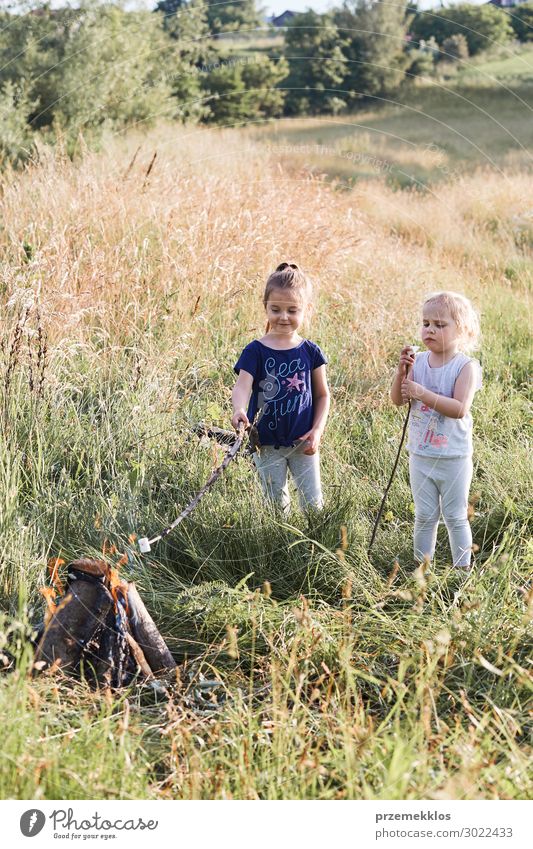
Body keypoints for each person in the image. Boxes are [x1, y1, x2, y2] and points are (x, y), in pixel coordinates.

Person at [390, 291, 482, 569]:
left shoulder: (465, 367)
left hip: (453, 456)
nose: (430, 329)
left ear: (462, 331)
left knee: (455, 515)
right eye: (426, 323)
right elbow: (398, 400)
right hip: (420, 454)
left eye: (440, 325)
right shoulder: (418, 362)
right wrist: (401, 373)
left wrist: (423, 393)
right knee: (424, 515)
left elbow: (459, 409)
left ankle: (463, 569)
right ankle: (421, 568)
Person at [231, 262, 330, 513]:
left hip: (303, 443)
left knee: (313, 505)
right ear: (265, 307)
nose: (283, 317)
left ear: (306, 310)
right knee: (276, 507)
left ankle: (313, 546)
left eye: (292, 310)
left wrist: (317, 431)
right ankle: (279, 547)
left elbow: (322, 395)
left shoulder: (310, 351)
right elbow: (243, 385)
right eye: (276, 309)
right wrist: (238, 409)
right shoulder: (256, 350)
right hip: (265, 444)